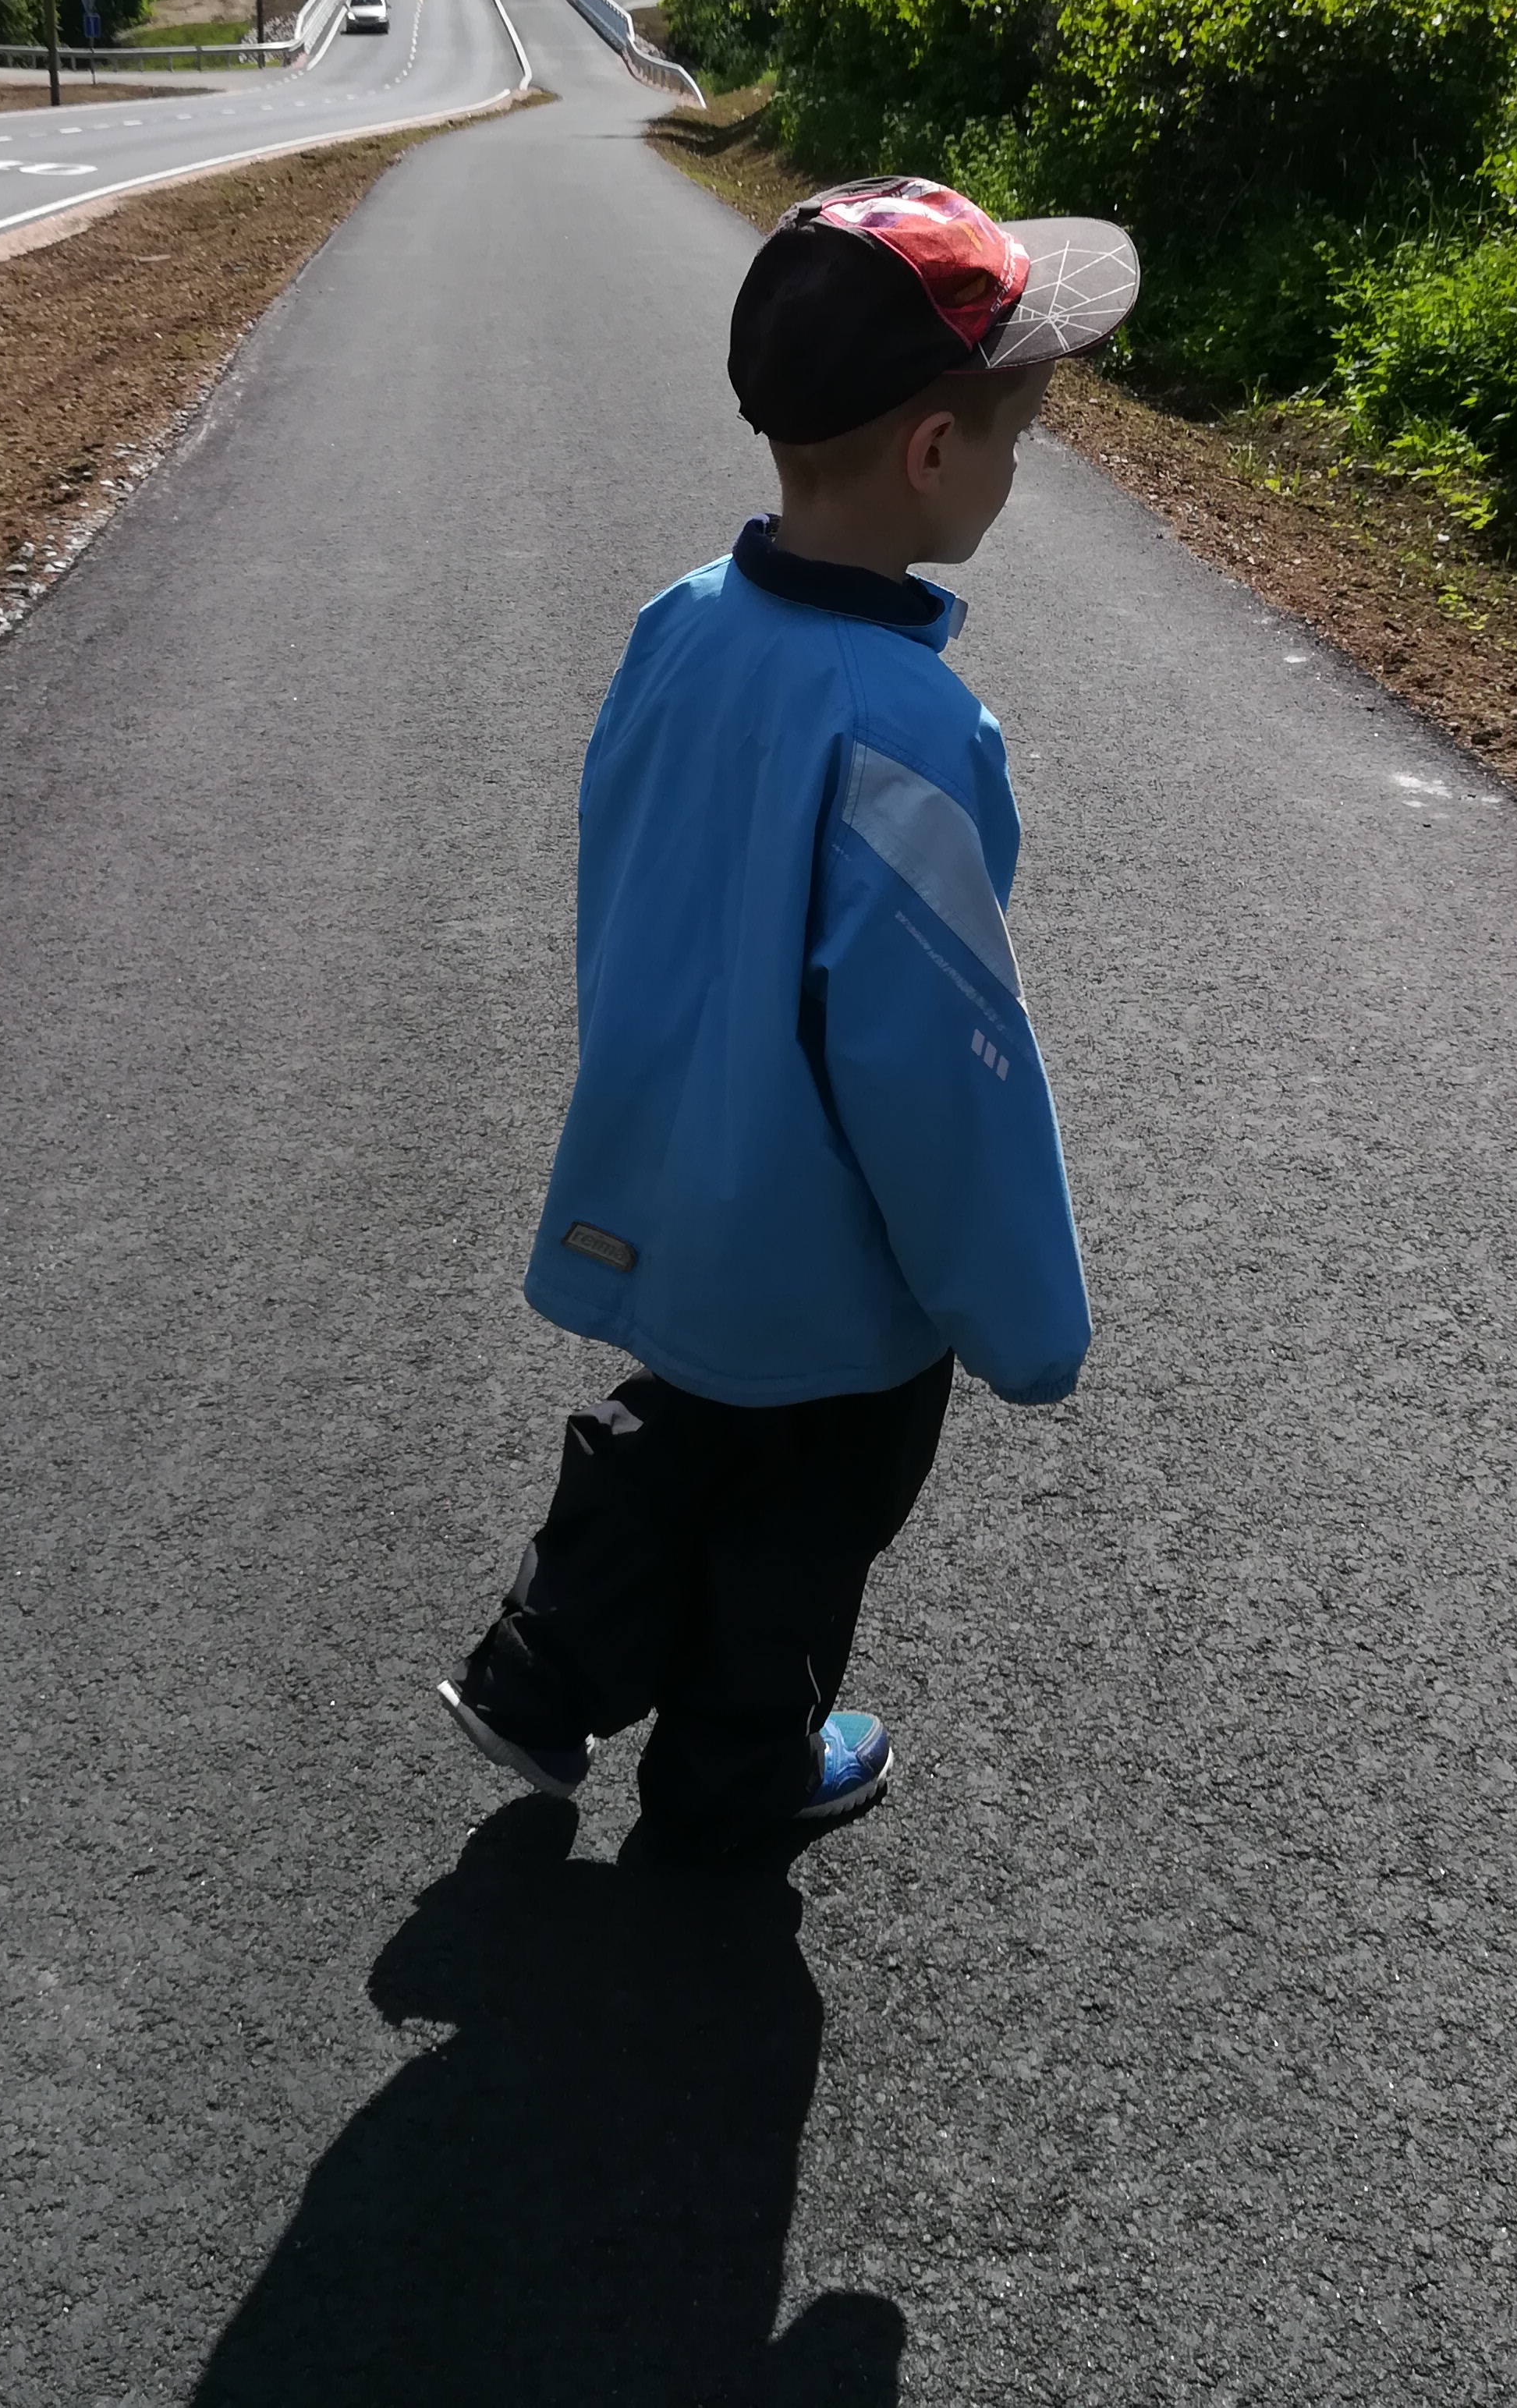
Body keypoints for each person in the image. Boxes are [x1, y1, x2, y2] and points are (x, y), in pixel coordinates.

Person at [441, 175, 1140, 1848]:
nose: (1021, 464)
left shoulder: (682, 622)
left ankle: (542, 1668)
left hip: (675, 1164)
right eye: (1020, 433)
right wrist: (1023, 1315)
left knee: (689, 1421)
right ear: (933, 452)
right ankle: (734, 1777)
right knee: (815, 1506)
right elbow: (940, 1069)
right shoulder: (912, 729)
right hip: (829, 1246)